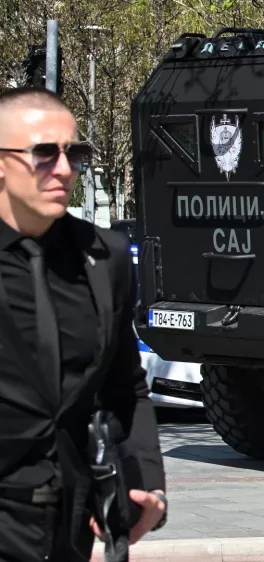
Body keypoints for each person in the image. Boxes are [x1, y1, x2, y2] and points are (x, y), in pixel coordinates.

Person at [0, 87, 166, 562]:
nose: (64, 168)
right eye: (44, 153)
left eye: (75, 152)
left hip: (70, 528)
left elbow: (125, 386)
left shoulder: (105, 256)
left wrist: (149, 485)